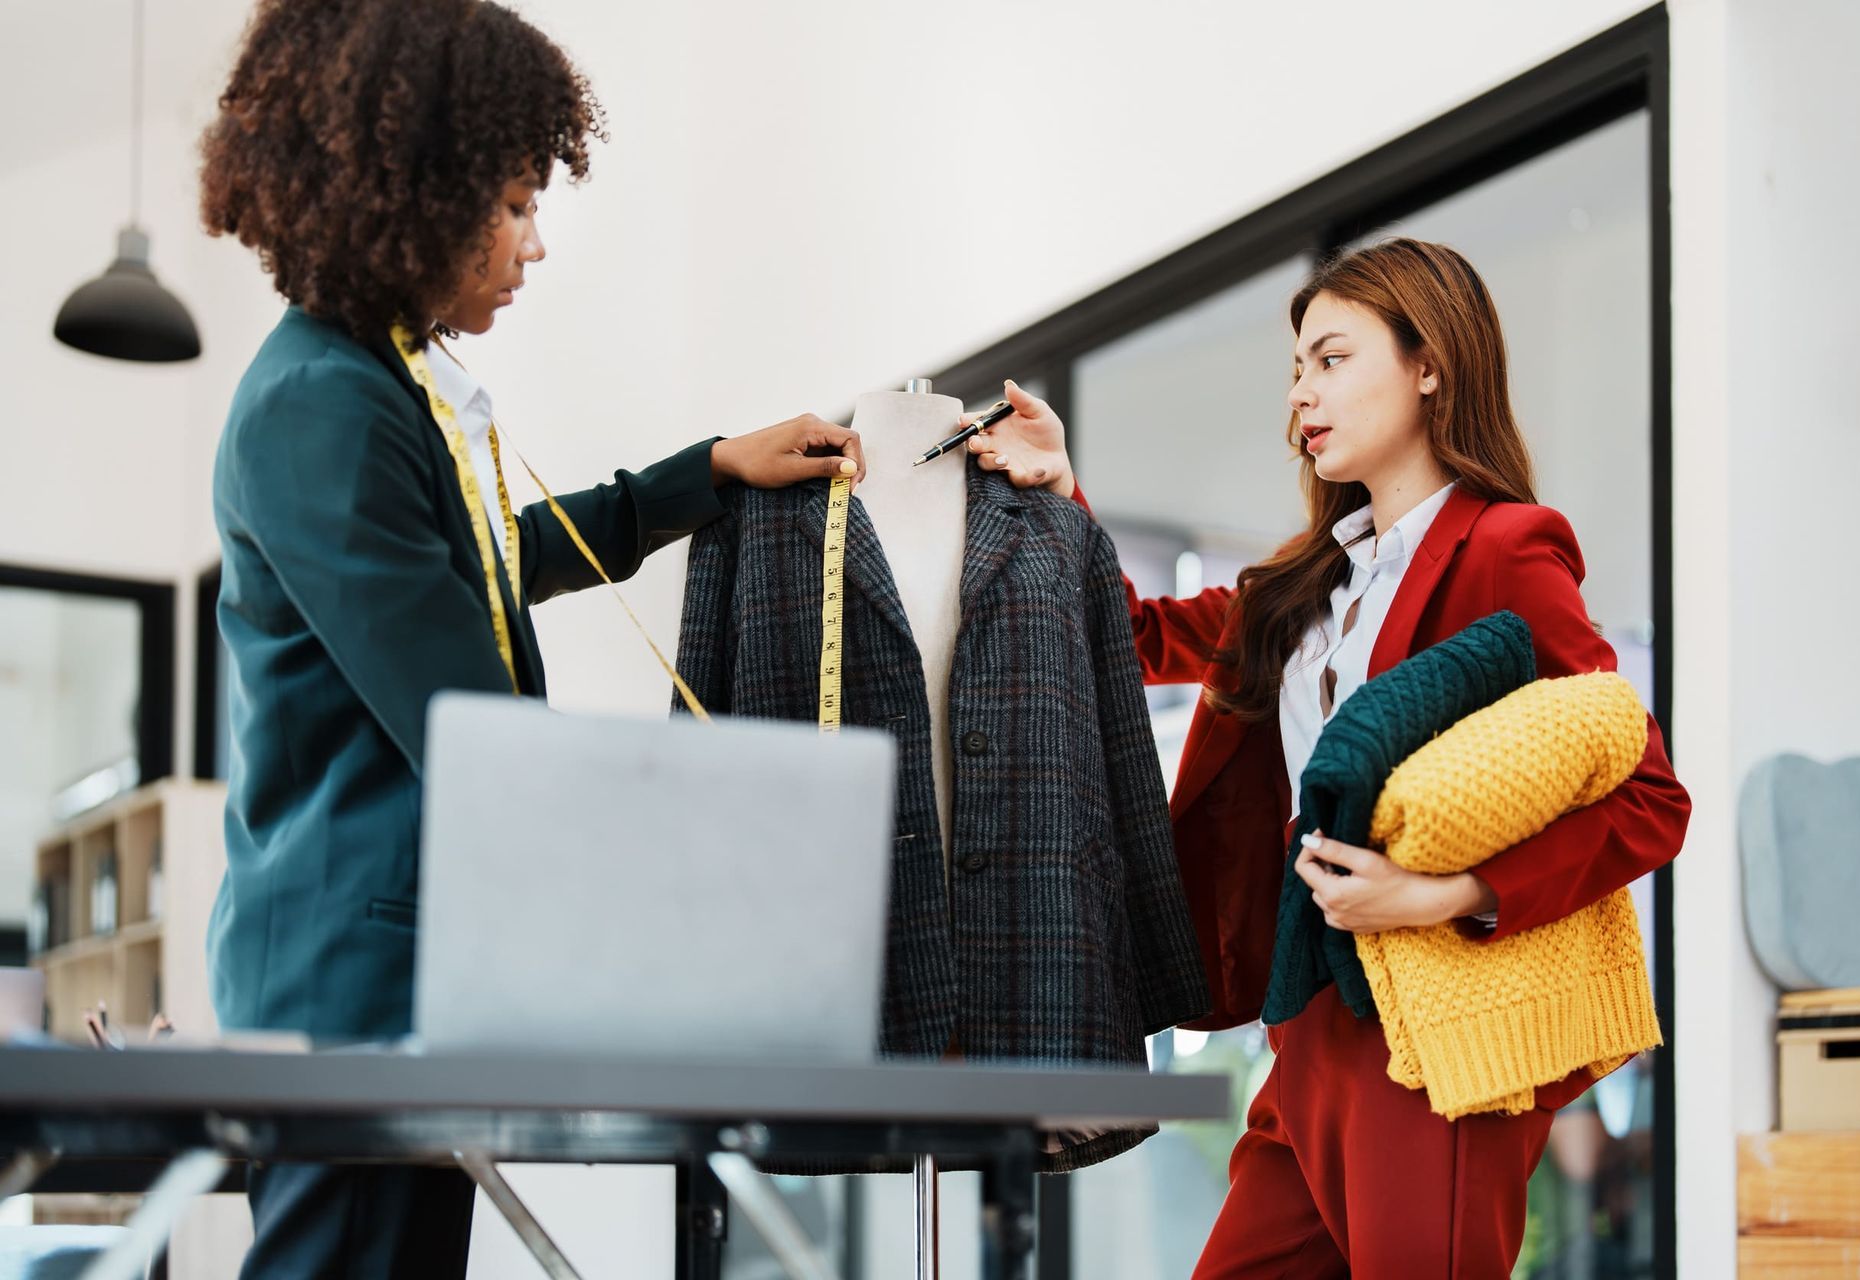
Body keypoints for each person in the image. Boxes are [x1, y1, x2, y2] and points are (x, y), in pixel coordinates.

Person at [196, 1, 864, 1274]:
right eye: (511, 207)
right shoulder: (319, 406)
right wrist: (719, 858)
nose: (535, 245)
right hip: (357, 983)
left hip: (400, 975)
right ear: (410, 197)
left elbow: (496, 559)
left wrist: (706, 469)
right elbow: (475, 726)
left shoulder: (378, 379)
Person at [964, 237, 1690, 1277]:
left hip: (1433, 1030)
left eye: (1332, 359)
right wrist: (1059, 485)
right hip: (1304, 1027)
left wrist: (1452, 891)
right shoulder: (1303, 588)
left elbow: (1651, 797)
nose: (1303, 391)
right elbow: (1123, 638)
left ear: (1430, 363)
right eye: (1297, 368)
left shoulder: (1507, 549)